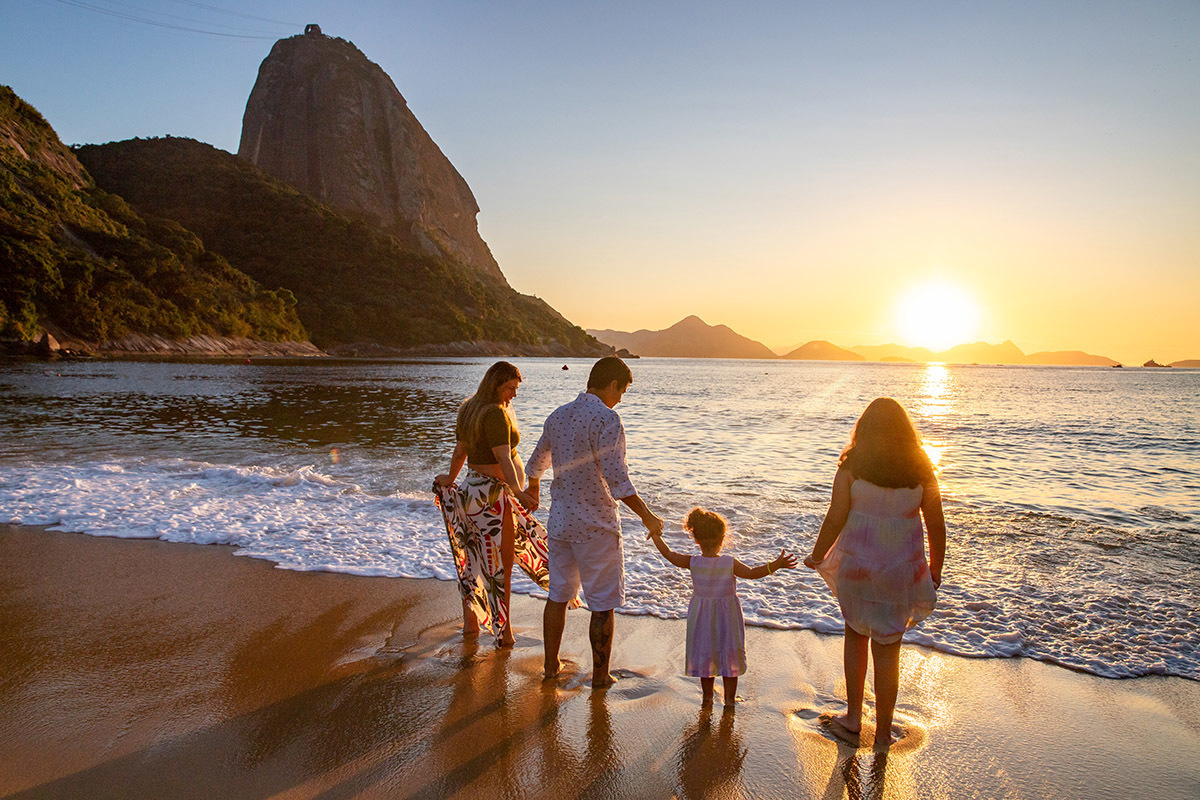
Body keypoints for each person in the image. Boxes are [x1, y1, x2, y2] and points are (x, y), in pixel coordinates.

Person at [803, 397, 946, 749]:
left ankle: (853, 717)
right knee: (889, 649)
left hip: (858, 569)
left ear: (864, 430)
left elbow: (835, 517)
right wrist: (935, 569)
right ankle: (882, 732)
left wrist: (817, 555)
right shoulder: (920, 470)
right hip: (901, 574)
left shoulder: (852, 466)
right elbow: (936, 524)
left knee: (856, 635)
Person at [526, 356, 664, 686]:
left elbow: (535, 465)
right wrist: (649, 517)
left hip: (560, 523)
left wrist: (534, 492)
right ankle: (601, 676)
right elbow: (618, 481)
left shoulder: (557, 416)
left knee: (558, 596)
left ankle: (550, 667)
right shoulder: (607, 419)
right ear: (612, 383)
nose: (621, 398)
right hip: (596, 526)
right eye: (623, 391)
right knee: (602, 604)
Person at [433, 361, 549, 647]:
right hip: (494, 499)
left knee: (472, 560)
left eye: (515, 389)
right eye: (510, 388)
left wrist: (451, 477)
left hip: (472, 492)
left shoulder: (469, 408)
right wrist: (517, 492)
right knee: (501, 568)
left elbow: (460, 450)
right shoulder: (495, 413)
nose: (513, 394)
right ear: (496, 383)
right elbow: (503, 458)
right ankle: (505, 631)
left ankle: (471, 624)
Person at [648, 507, 797, 705]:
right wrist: (775, 565)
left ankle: (707, 697)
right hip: (728, 617)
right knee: (729, 656)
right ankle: (729, 699)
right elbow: (752, 573)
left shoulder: (693, 562)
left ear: (696, 540)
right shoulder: (729, 562)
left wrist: (656, 535)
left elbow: (669, 554)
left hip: (701, 616)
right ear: (722, 538)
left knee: (706, 653)